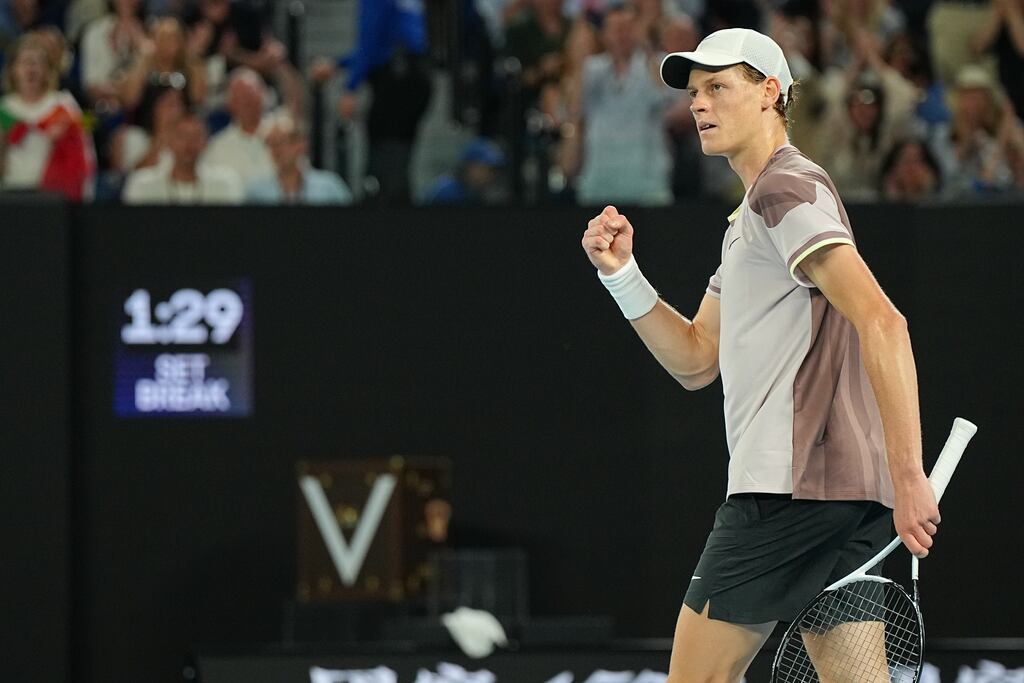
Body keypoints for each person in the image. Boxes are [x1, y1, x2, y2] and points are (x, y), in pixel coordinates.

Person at [580, 28, 940, 681]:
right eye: (694, 92)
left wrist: (911, 475)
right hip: (846, 499)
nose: (698, 103)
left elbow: (883, 320)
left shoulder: (785, 191)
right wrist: (621, 275)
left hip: (786, 493)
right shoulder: (753, 215)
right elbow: (696, 357)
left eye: (719, 86)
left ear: (771, 92)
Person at [0, 32, 95, 200]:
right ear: (13, 70)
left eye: (37, 63)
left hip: (54, 196)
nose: (31, 70)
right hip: (10, 194)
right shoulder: (5, 109)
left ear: (47, 70)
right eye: (24, 63)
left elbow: (91, 124)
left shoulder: (62, 104)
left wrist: (69, 128)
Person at [122, 112, 243, 203]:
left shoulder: (225, 183)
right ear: (169, 141)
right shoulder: (142, 184)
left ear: (206, 142)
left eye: (196, 136)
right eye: (182, 136)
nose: (189, 143)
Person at [246, 112, 352, 205]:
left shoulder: (329, 187)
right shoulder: (257, 192)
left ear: (300, 145)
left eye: (282, 142)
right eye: (272, 144)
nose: (277, 150)